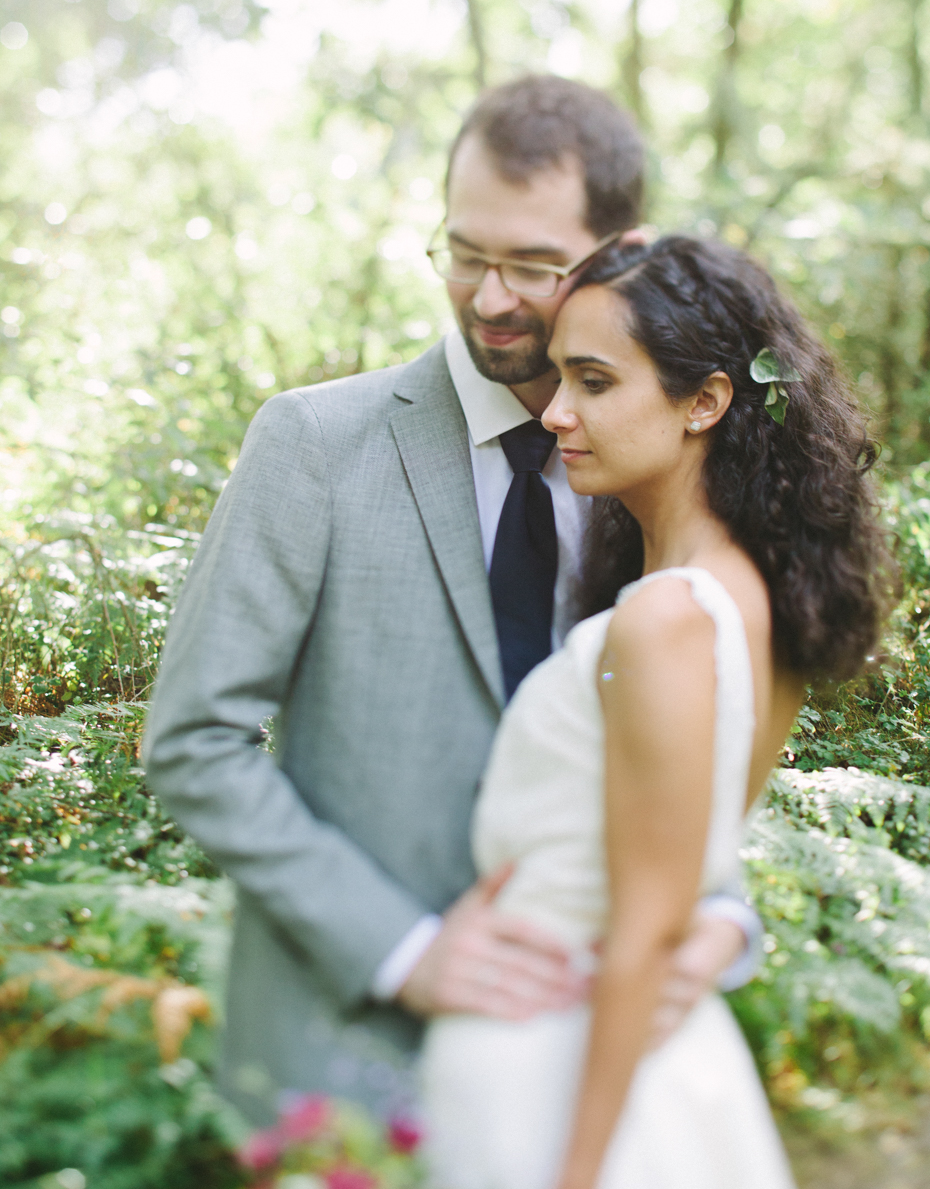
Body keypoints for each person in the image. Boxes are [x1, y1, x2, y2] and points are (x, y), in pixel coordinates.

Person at [142, 76, 760, 1125]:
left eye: (532, 265)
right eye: (466, 252)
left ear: (620, 253)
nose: (488, 297)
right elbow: (192, 741)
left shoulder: (651, 469)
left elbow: (672, 728)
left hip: (579, 1055)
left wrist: (720, 919)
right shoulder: (314, 446)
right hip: (340, 1057)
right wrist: (404, 951)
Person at [421, 235, 892, 1189]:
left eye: (593, 382)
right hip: (606, 1062)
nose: (558, 415)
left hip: (573, 1090)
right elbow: (694, 877)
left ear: (704, 401)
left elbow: (641, 927)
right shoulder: (737, 593)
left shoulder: (674, 617)